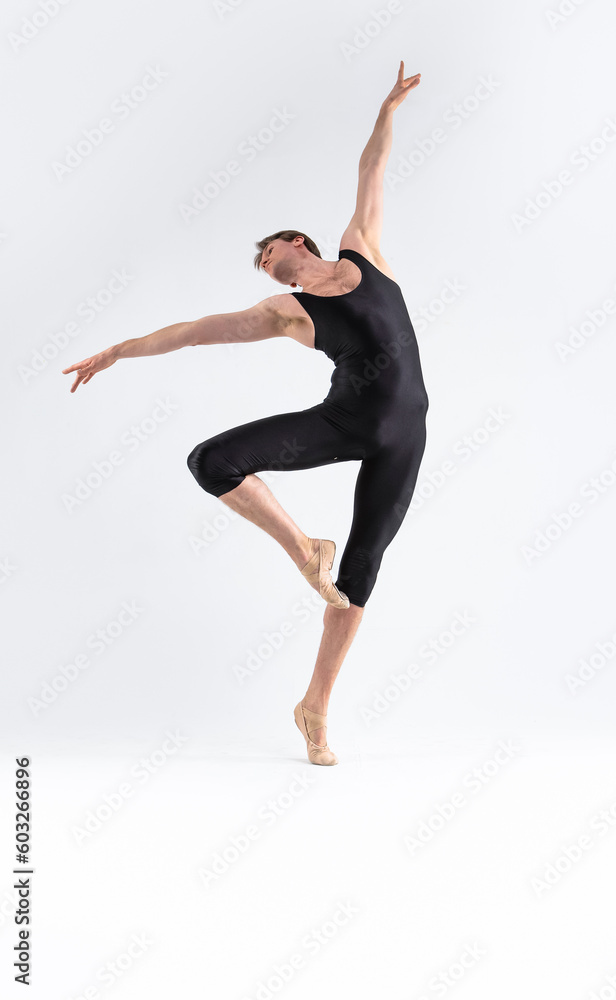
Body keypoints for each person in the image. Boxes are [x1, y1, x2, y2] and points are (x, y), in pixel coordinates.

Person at [62, 61, 427, 767]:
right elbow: (195, 330)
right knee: (213, 461)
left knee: (360, 579)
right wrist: (118, 350)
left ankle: (314, 709)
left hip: (405, 438)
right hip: (345, 422)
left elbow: (372, 168)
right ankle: (302, 548)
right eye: (260, 263)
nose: (264, 264)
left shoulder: (363, 249)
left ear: (299, 243)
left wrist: (387, 108)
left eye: (269, 251)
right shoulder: (283, 313)